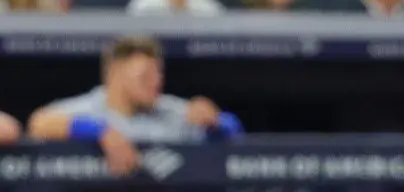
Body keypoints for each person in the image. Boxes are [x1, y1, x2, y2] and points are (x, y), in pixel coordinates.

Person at [27, 35, 243, 176]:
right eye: (146, 75)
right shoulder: (89, 107)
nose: (157, 81)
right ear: (115, 72)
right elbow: (39, 123)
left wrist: (217, 121)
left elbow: (235, 133)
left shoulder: (170, 110)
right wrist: (101, 132)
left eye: (159, 73)